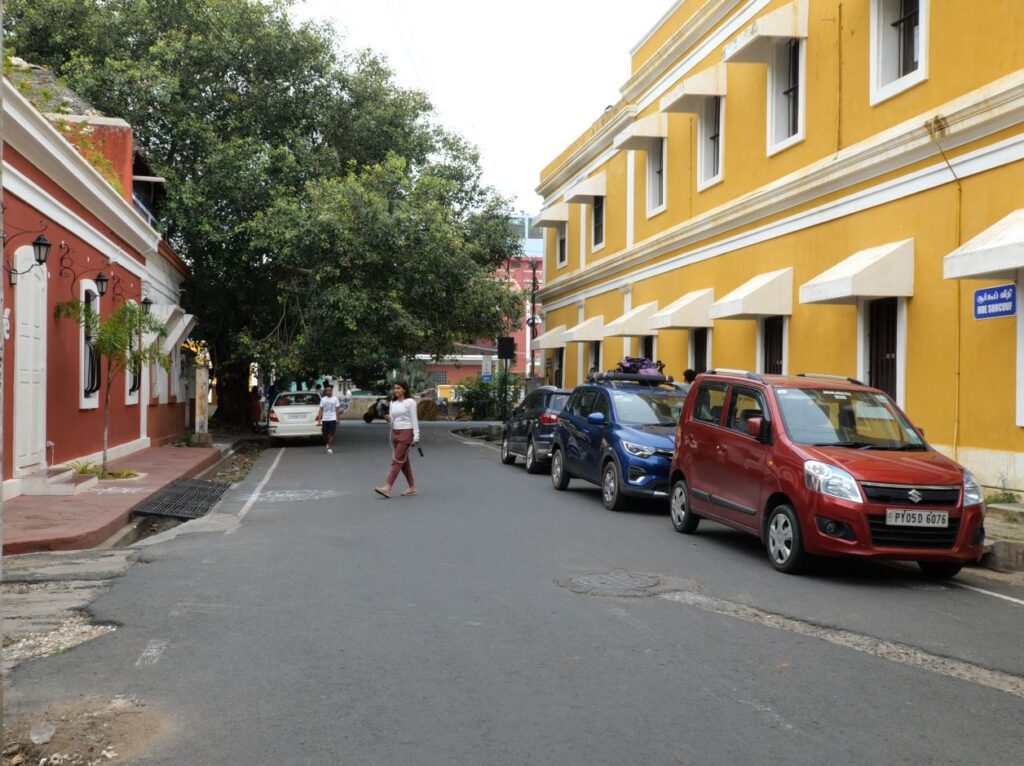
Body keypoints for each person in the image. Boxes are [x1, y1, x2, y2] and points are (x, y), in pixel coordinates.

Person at [374, 380, 420, 498]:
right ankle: (412, 487)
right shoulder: (393, 403)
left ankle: (388, 487)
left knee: (397, 460)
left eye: (398, 388)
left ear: (404, 389)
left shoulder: (410, 402)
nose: (395, 390)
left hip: (406, 433)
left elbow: (414, 419)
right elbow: (392, 419)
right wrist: (388, 418)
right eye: (394, 388)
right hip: (395, 433)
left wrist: (416, 436)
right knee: (404, 462)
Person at [314, 383, 341, 455]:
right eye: (327, 390)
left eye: (330, 390)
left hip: (332, 419)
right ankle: (328, 442)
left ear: (332, 391)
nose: (328, 391)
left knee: (331, 434)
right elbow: (321, 409)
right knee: (325, 434)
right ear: (325, 392)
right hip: (325, 419)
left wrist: (338, 419)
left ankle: (330, 448)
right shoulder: (323, 399)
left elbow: (337, 410)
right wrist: (319, 419)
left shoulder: (335, 399)